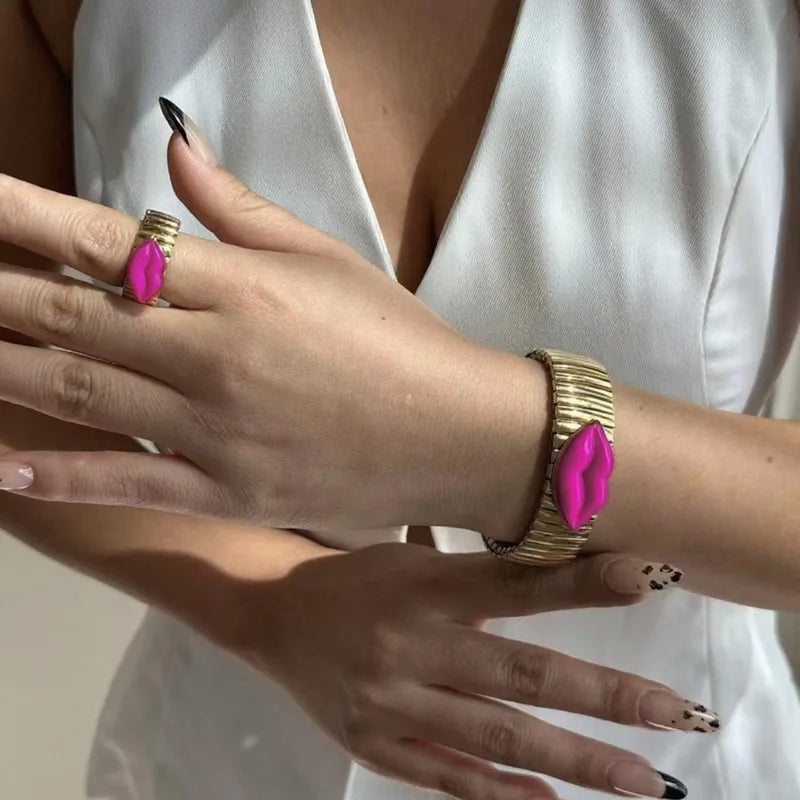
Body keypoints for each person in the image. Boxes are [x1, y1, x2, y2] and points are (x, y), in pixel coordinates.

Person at [1, 1, 798, 798]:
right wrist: (263, 604)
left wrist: (466, 440)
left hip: (692, 758)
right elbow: (19, 381)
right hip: (226, 753)